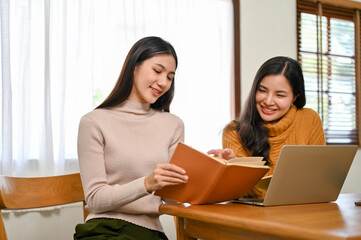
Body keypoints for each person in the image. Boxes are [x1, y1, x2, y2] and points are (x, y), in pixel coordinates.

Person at [74, 36, 188, 240]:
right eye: (157, 71)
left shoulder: (173, 125)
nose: (163, 83)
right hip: (104, 229)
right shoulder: (94, 122)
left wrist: (216, 169)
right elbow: (94, 198)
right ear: (134, 66)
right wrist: (147, 184)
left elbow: (173, 199)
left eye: (170, 77)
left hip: (151, 233)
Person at [208, 56, 325, 196]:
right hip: (254, 214)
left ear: (295, 97)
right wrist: (235, 169)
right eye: (262, 91)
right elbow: (246, 194)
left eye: (280, 95)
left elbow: (318, 181)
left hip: (301, 211)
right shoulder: (234, 132)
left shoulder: (309, 119)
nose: (268, 101)